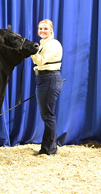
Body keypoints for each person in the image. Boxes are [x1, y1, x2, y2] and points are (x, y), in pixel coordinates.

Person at [31, 19, 63, 155]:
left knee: (48, 115)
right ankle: (47, 147)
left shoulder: (53, 44)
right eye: (40, 28)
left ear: (51, 29)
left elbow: (40, 60)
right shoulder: (44, 44)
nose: (42, 31)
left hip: (49, 78)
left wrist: (30, 51)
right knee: (46, 115)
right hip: (43, 78)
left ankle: (49, 149)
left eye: (45, 28)